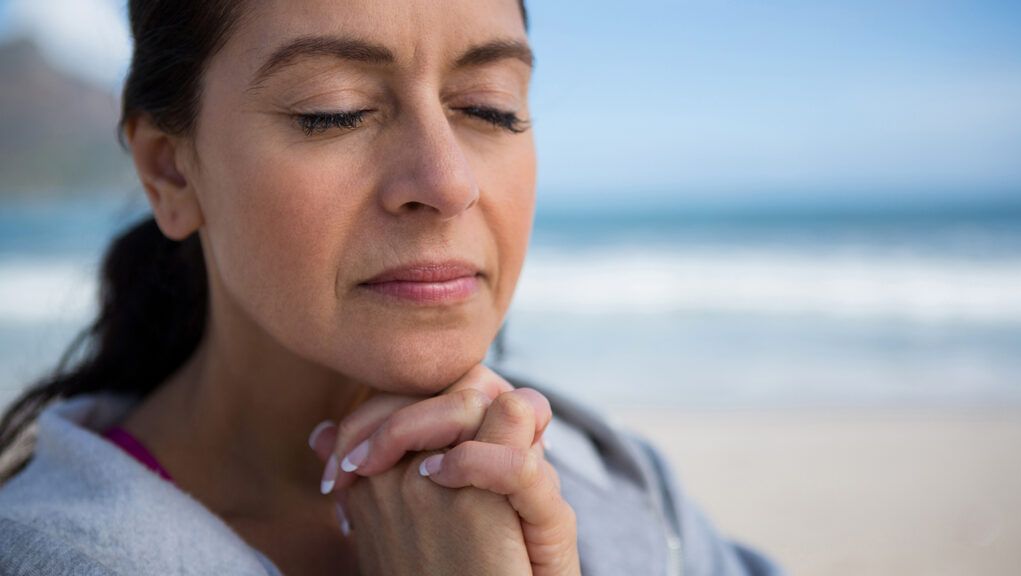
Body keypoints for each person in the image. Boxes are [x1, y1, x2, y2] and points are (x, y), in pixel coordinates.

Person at [0, 1, 784, 575]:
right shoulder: (53, 552)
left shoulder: (615, 481)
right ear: (171, 169)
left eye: (490, 108)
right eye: (333, 112)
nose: (447, 181)